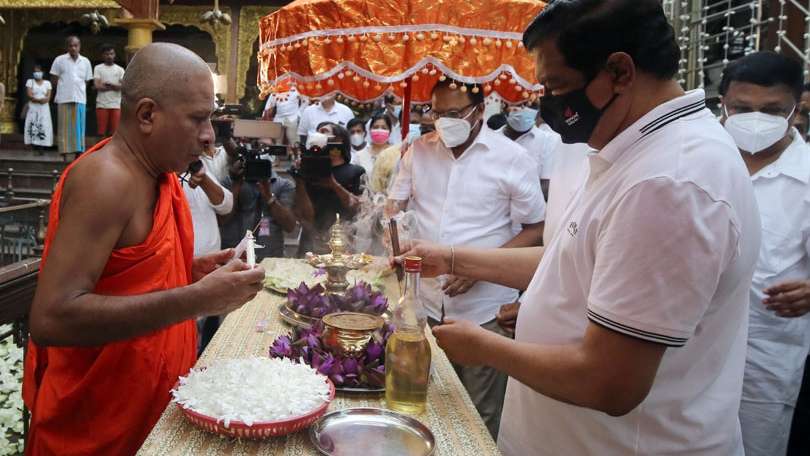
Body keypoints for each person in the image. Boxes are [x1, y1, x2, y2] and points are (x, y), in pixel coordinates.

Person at [397, 1, 761, 454]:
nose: (547, 102)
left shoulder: (670, 181)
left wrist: (483, 347)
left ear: (619, 72)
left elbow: (609, 382)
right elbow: (570, 262)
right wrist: (450, 257)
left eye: (557, 85)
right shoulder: (633, 151)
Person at [23, 43, 266, 455]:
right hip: (95, 425)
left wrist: (191, 271)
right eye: (198, 119)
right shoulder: (107, 179)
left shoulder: (161, 174)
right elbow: (52, 318)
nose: (209, 136)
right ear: (148, 115)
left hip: (150, 408)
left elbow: (125, 279)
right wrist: (194, 300)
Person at [386, 78, 545, 438]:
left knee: (478, 415)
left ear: (479, 111)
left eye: (454, 113)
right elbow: (394, 207)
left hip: (484, 309)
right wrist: (392, 226)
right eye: (436, 112)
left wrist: (475, 269)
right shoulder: (419, 151)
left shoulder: (513, 158)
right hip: (423, 304)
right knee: (420, 404)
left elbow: (536, 229)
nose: (443, 122)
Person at [718, 51, 810, 456]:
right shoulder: (703, 159)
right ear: (722, 104)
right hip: (690, 346)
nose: (755, 118)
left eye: (772, 110)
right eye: (741, 107)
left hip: (767, 356)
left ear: (795, 109)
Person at [181, 148, 234, 354]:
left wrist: (204, 180)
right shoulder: (163, 172)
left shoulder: (197, 164)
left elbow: (226, 205)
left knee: (207, 338)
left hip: (209, 269)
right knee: (187, 338)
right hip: (184, 273)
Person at [294, 122, 365, 255]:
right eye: (317, 132)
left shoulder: (356, 171)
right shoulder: (307, 172)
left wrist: (333, 184)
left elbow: (358, 207)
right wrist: (300, 179)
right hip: (311, 240)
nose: (318, 135)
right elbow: (301, 215)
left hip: (343, 240)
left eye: (324, 131)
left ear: (339, 140)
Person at [219, 147, 297, 259]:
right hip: (234, 254)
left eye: (260, 165)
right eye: (252, 165)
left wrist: (269, 197)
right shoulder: (230, 182)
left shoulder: (284, 185)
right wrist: (236, 183)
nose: (255, 169)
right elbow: (223, 219)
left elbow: (290, 226)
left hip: (270, 255)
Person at [499, 100, 560, 199]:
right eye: (518, 104)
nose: (524, 110)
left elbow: (546, 187)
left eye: (532, 105)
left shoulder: (548, 141)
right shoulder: (491, 140)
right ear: (503, 107)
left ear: (538, 112)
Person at [50, 36, 93, 155]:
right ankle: (64, 151)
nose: (73, 48)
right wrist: (64, 89)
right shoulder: (59, 60)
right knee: (64, 127)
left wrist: (78, 88)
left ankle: (79, 150)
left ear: (80, 46)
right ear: (67, 47)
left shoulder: (85, 61)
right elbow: (54, 79)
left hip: (79, 98)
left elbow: (87, 81)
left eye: (76, 45)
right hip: (64, 97)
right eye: (70, 46)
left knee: (79, 127)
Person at [93, 44, 125, 137]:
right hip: (102, 104)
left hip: (116, 104)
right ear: (103, 55)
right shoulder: (98, 68)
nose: (109, 56)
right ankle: (101, 150)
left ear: (115, 55)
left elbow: (123, 86)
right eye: (107, 54)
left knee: (114, 133)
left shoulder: (120, 69)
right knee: (101, 132)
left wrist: (109, 84)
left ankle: (112, 151)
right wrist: (114, 86)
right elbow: (97, 85)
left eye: (111, 54)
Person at [262, 82, 301, 149]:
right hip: (279, 118)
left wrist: (301, 112)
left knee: (293, 139)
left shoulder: (296, 90)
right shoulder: (275, 91)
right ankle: (276, 156)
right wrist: (266, 115)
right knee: (277, 140)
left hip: (292, 117)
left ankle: (297, 156)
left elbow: (305, 99)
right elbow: (268, 107)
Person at [24, 65, 53, 150]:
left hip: (44, 108)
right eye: (35, 72)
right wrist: (38, 100)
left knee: (44, 124)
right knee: (33, 123)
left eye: (39, 71)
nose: (37, 73)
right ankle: (33, 144)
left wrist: (43, 100)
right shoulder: (30, 82)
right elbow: (29, 95)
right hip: (33, 107)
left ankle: (42, 145)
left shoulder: (47, 83)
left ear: (42, 72)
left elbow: (48, 97)